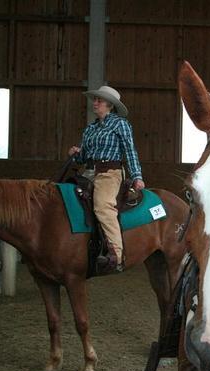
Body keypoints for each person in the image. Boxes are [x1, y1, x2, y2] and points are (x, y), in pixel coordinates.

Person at [68, 86, 145, 273]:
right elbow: (83, 157)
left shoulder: (120, 124)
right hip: (89, 172)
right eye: (95, 99)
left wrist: (137, 176)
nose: (95, 103)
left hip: (110, 173)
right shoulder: (90, 128)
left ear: (110, 104)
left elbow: (130, 151)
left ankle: (116, 255)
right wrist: (76, 154)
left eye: (99, 100)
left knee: (103, 205)